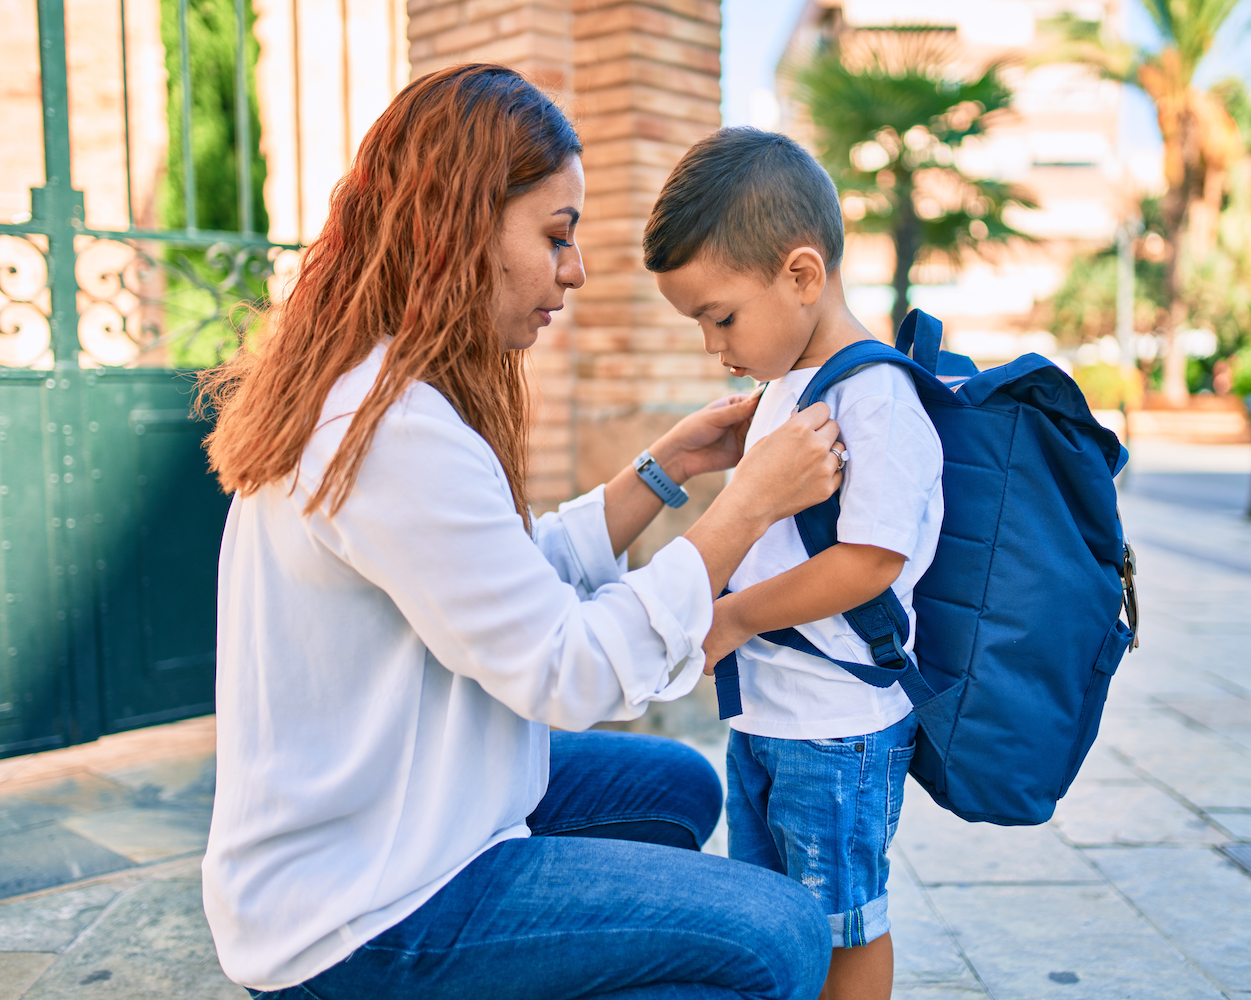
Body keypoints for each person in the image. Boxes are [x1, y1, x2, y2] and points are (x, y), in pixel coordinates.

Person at [197, 65, 845, 999]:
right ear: (458, 224)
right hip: (363, 910)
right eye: (555, 235)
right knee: (777, 936)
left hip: (401, 815)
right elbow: (567, 670)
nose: (574, 270)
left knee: (674, 790)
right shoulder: (389, 430)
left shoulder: (378, 393)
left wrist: (663, 470)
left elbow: (502, 586)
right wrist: (746, 509)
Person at [643, 128, 945, 1000]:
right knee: (777, 917)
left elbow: (869, 564)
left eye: (720, 316)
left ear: (802, 276)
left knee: (848, 924)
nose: (713, 345)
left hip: (840, 724)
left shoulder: (876, 397)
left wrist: (732, 618)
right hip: (773, 717)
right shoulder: (785, 389)